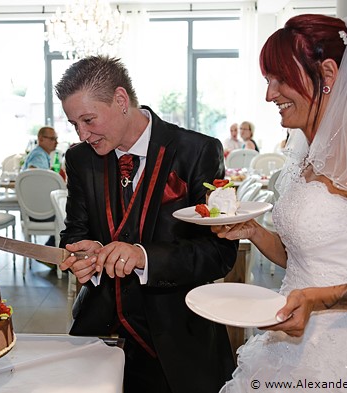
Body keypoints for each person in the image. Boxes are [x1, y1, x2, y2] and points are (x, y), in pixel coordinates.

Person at [212, 14, 347, 391]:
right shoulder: (305, 151)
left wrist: (317, 300)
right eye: (268, 81)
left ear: (327, 73)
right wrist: (255, 232)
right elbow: (309, 259)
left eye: (280, 79)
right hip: (283, 349)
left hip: (340, 361)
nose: (269, 94)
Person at [55, 56, 238, 393]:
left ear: (121, 100)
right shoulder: (80, 159)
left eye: (88, 119)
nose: (82, 134)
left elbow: (218, 253)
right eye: (73, 124)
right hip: (102, 334)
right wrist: (84, 253)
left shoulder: (196, 151)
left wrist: (144, 257)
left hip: (180, 338)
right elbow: (75, 232)